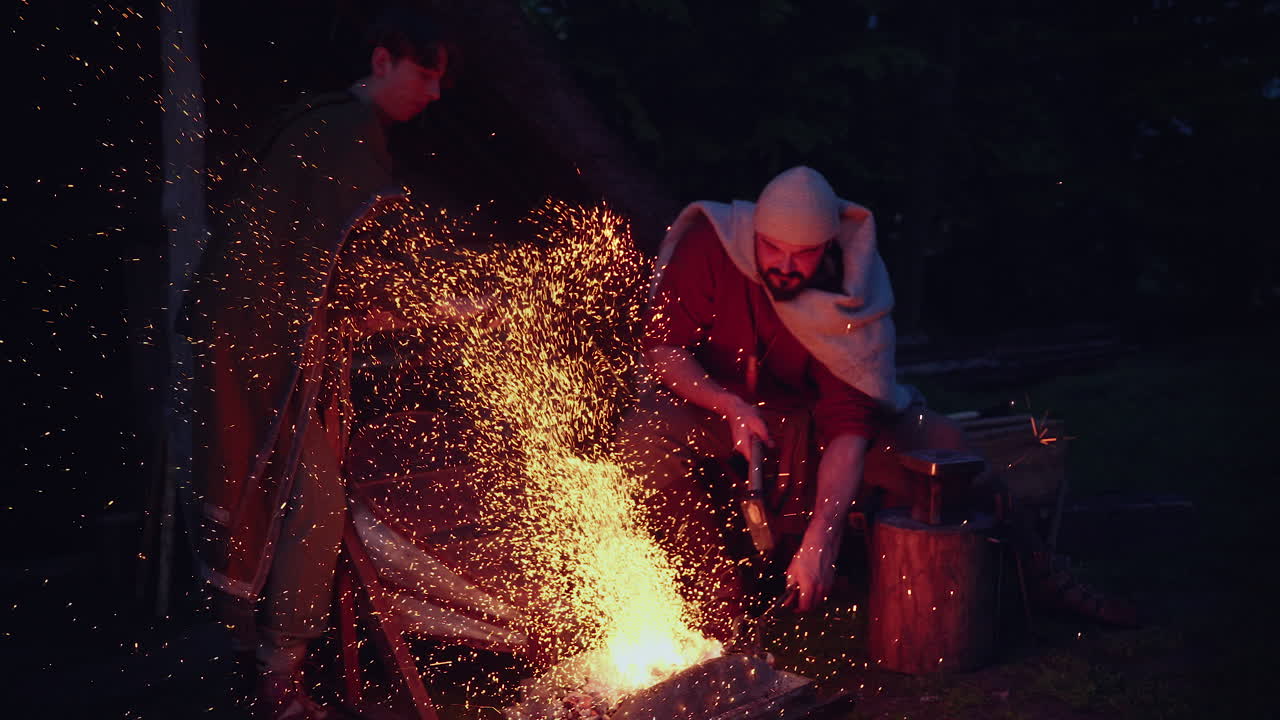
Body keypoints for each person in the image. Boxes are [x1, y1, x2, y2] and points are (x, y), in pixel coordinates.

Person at [618, 166, 1135, 640]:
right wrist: (727, 403)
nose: (785, 266)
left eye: (804, 254)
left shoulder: (853, 287)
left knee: (947, 450)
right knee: (642, 441)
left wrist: (821, 538)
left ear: (828, 246)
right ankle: (715, 599)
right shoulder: (712, 248)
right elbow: (665, 348)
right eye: (772, 249)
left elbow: (848, 426)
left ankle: (1038, 572)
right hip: (720, 407)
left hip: (821, 424)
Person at [184, 8, 451, 719]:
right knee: (307, 500)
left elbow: (327, 270)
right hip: (256, 344)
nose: (433, 94)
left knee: (286, 493)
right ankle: (279, 677)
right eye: (425, 75)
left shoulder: (331, 126)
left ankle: (267, 664)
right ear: (384, 60)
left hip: (267, 339)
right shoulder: (339, 134)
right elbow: (348, 260)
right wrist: (433, 301)